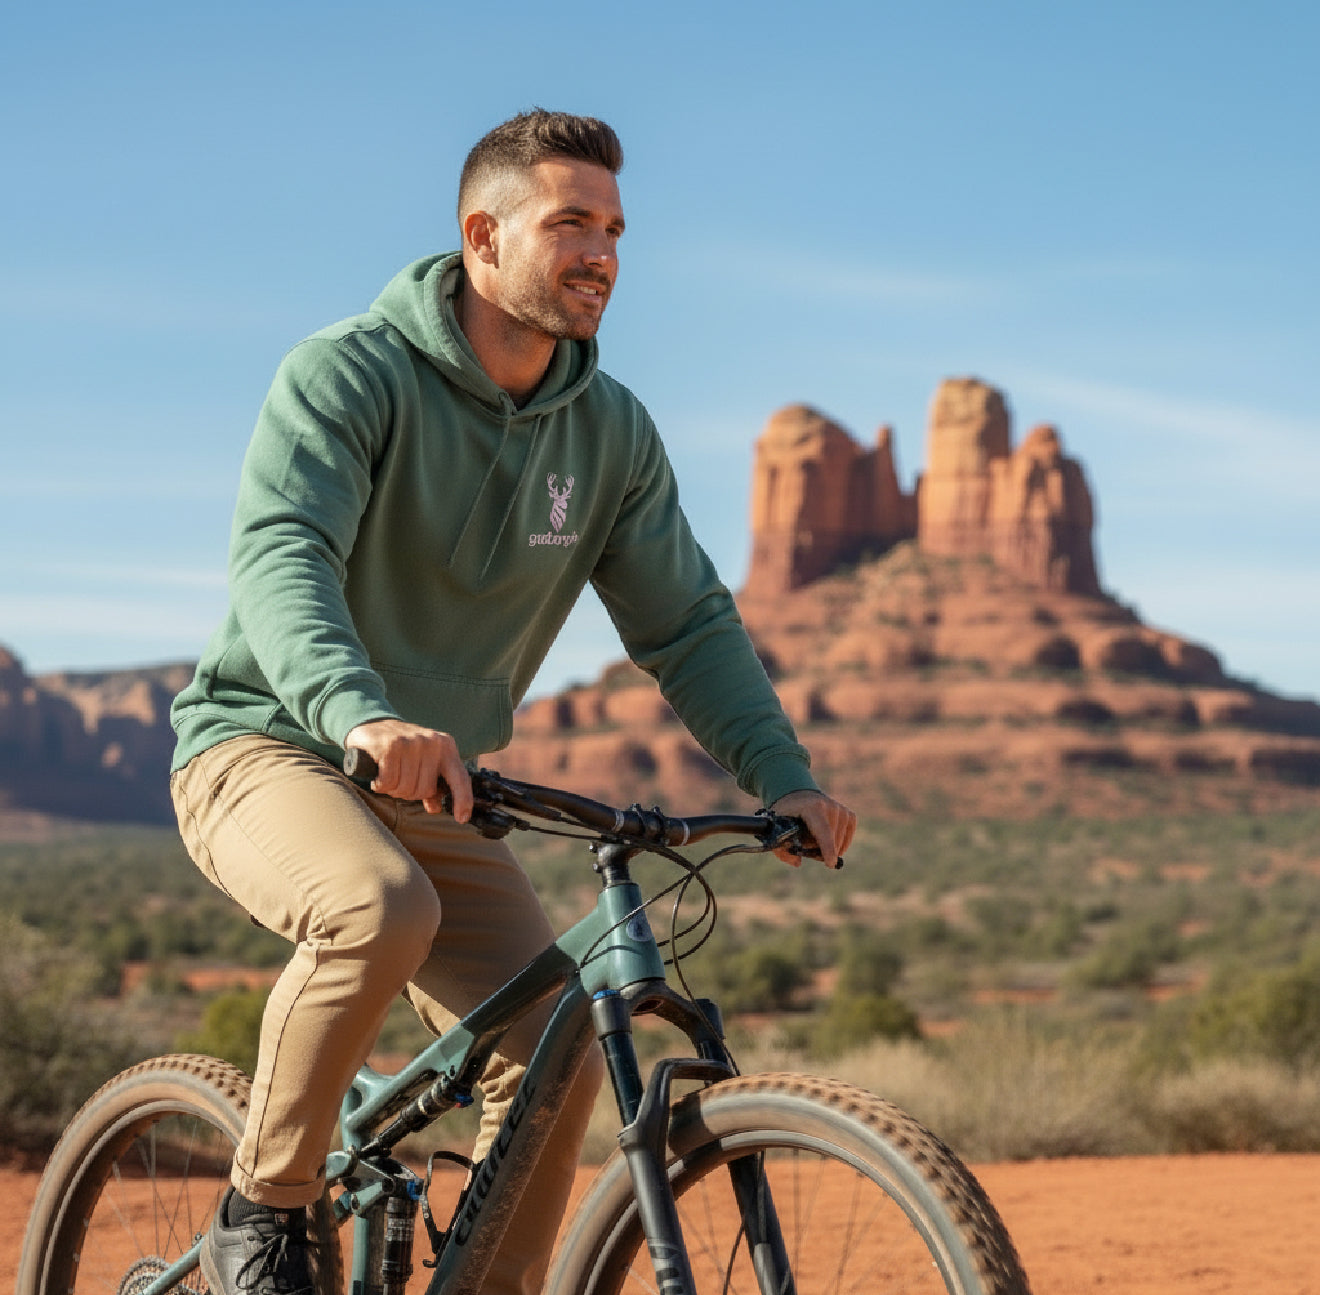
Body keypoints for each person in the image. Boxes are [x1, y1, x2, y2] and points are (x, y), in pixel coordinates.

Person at [169, 108, 856, 1295]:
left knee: (559, 1036)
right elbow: (284, 552)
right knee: (377, 909)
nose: (602, 252)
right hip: (268, 747)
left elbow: (685, 621)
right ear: (483, 236)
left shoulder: (610, 433)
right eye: (570, 222)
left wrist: (779, 773)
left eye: (616, 228)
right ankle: (266, 1208)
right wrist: (358, 710)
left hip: (437, 782)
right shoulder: (348, 374)